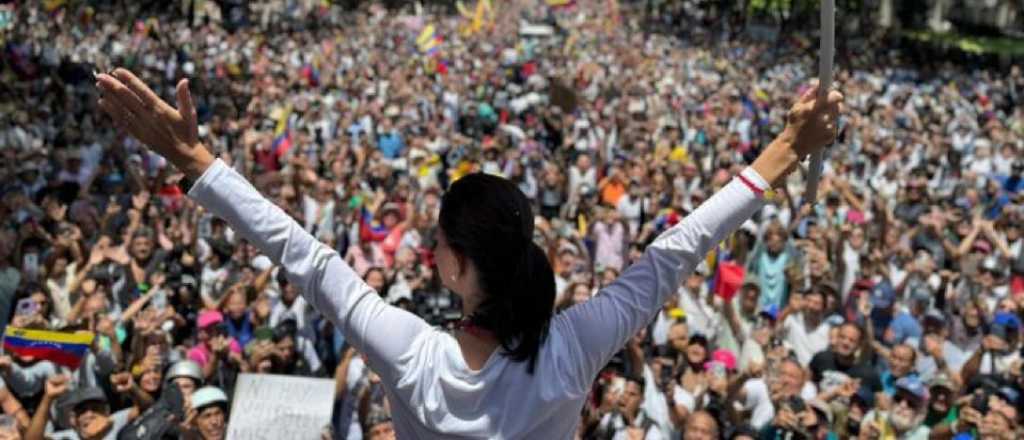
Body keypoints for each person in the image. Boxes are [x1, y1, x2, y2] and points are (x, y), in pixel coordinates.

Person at [94, 67, 841, 437]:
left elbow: (308, 258)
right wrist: (783, 148)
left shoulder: (411, 355)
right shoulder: (573, 350)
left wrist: (196, 159)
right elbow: (675, 253)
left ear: (452, 264)